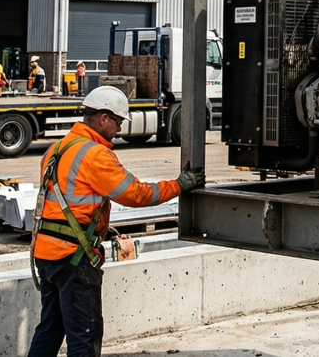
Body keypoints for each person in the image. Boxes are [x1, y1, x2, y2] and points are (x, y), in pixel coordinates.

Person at [27, 86, 202, 357]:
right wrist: (179, 185)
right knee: (85, 337)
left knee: (50, 329)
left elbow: (63, 201)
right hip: (73, 259)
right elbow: (136, 194)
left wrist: (98, 228)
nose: (119, 129)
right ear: (103, 119)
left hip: (47, 254)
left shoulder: (57, 149)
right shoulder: (94, 154)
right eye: (118, 122)